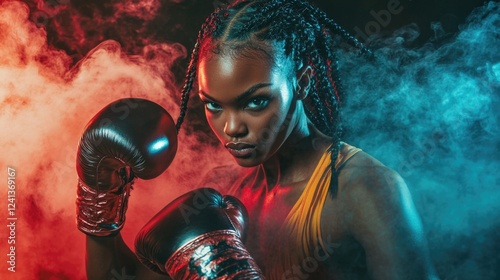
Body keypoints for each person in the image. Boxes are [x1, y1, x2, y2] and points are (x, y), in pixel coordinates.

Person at [77, 0, 439, 279]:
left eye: (255, 101)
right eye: (213, 105)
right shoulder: (233, 193)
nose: (232, 127)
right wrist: (99, 197)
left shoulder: (367, 189)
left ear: (303, 80)